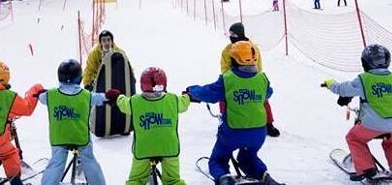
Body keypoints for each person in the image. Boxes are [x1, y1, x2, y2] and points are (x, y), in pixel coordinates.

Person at [187, 41, 282, 185]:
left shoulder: (228, 79)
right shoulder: (263, 79)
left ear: (234, 59)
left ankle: (225, 179)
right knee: (248, 158)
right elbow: (268, 93)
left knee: (218, 158)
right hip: (258, 133)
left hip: (233, 132)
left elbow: (209, 93)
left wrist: (191, 91)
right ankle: (265, 178)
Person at [321, 44, 392, 182]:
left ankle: (367, 169)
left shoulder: (364, 78)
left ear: (365, 62)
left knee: (354, 138)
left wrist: (331, 83)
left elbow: (344, 89)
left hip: (373, 124)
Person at [40, 60, 120, 185]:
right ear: (79, 78)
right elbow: (100, 98)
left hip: (59, 137)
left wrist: (41, 92)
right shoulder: (86, 95)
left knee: (56, 162)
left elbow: (41, 97)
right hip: (80, 137)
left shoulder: (50, 95)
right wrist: (108, 96)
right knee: (89, 160)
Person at [116, 67, 191, 185]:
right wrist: (188, 96)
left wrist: (118, 97)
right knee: (174, 180)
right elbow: (184, 104)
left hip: (143, 150)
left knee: (136, 180)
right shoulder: (173, 100)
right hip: (169, 149)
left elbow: (123, 104)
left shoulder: (134, 102)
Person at [220, 23, 279, 137]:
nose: (231, 36)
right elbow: (225, 67)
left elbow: (258, 64)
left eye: (233, 34)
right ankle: (225, 121)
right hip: (234, 79)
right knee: (223, 96)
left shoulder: (252, 47)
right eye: (230, 33)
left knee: (262, 98)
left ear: (239, 33)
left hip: (251, 76)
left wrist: (255, 78)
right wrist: (231, 79)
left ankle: (268, 124)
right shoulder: (228, 49)